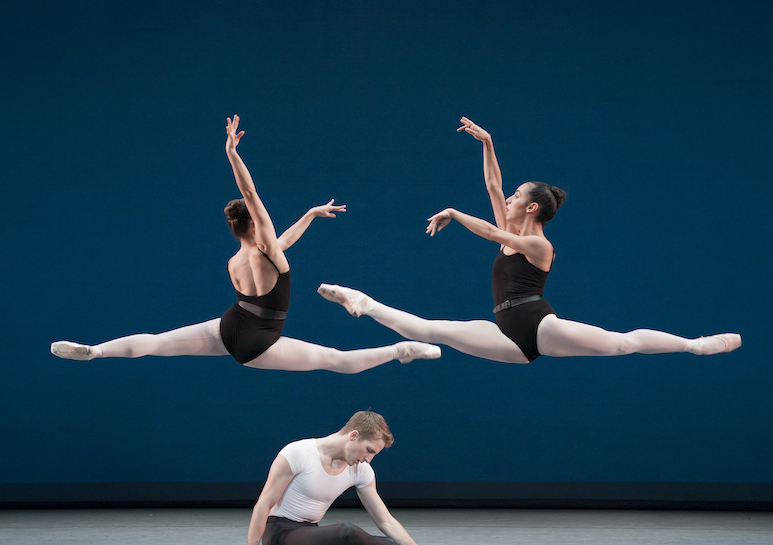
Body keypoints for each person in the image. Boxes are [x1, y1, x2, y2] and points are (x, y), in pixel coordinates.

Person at [318, 117, 741, 364]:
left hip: (538, 324)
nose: (512, 199)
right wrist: (488, 143)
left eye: (520, 196)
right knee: (433, 330)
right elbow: (492, 186)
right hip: (507, 333)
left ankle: (694, 345)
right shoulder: (515, 232)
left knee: (620, 343)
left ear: (533, 208)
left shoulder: (539, 246)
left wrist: (452, 211)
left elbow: (487, 228)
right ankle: (364, 302)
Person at [50, 115, 440, 372]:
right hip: (260, 340)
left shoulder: (239, 259)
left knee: (154, 343)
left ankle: (97, 350)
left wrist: (309, 214)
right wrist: (232, 155)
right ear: (254, 223)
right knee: (335, 360)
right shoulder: (266, 246)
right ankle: (400, 351)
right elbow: (251, 193)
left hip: (229, 327)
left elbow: (281, 241)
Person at [234, 411, 475, 545]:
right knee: (348, 532)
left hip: (313, 536)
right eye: (368, 450)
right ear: (353, 436)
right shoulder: (298, 453)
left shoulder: (360, 470)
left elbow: (385, 521)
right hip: (280, 535)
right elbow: (263, 504)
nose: (368, 459)